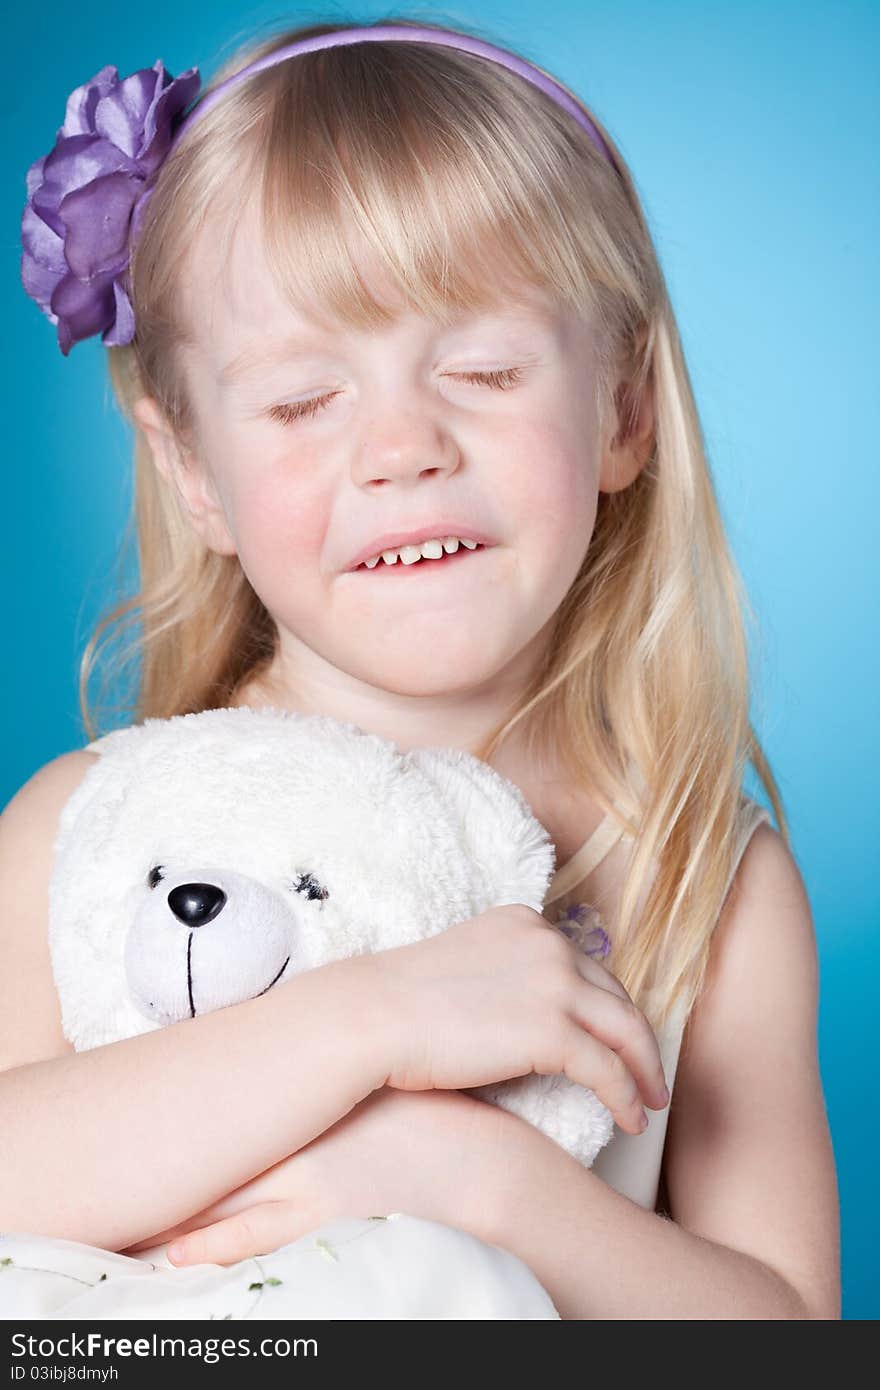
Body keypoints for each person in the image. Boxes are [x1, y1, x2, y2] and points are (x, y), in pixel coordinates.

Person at [1, 16, 840, 1319]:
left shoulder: (705, 882)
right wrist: (372, 1019)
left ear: (622, 407)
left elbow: (785, 1329)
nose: (401, 448)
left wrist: (468, 1174)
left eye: (484, 368)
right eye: (301, 401)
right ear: (191, 471)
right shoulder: (91, 826)